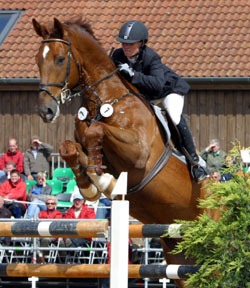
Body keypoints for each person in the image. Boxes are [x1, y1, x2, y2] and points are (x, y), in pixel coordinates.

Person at [112, 20, 207, 183]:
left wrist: (134, 76)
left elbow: (157, 85)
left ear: (141, 43)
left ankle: (195, 162)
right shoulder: (117, 56)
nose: (125, 47)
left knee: (174, 116)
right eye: (123, 43)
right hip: (145, 96)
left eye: (130, 44)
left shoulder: (151, 57)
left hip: (167, 91)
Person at [38, 195, 64, 263]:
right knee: (34, 238)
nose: (50, 205)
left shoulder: (58, 214)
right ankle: (37, 253)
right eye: (48, 203)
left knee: (45, 239)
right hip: (42, 232)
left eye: (52, 203)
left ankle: (43, 256)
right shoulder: (41, 213)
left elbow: (55, 225)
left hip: (52, 234)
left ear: (55, 204)